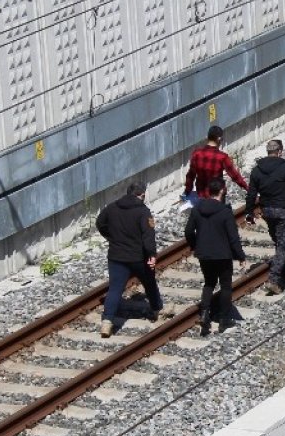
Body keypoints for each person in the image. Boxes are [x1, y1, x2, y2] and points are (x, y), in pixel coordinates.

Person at [96, 183, 169, 338]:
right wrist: (152, 256)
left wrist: (111, 237)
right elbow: (148, 238)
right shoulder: (143, 212)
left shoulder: (112, 208)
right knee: (149, 282)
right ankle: (157, 309)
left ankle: (107, 321)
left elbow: (100, 223)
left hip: (116, 256)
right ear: (141, 195)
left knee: (115, 288)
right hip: (139, 258)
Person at [244, 139, 285, 295]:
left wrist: (249, 212)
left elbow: (251, 194)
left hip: (267, 211)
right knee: (284, 244)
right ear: (280, 152)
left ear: (268, 152)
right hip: (284, 211)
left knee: (278, 241)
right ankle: (274, 279)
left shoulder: (256, 171)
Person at [185, 179, 247, 335]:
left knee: (209, 283)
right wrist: (240, 256)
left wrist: (195, 245)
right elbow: (233, 237)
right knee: (225, 285)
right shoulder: (225, 212)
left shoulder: (197, 209)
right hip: (223, 255)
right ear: (222, 191)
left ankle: (205, 314)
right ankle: (224, 320)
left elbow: (188, 231)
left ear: (208, 191)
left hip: (204, 254)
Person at [183, 125, 248, 205]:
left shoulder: (196, 154)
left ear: (207, 137)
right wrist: (247, 187)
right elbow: (234, 175)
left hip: (201, 195)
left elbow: (191, 175)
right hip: (217, 195)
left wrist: (187, 191)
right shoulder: (222, 157)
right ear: (219, 139)